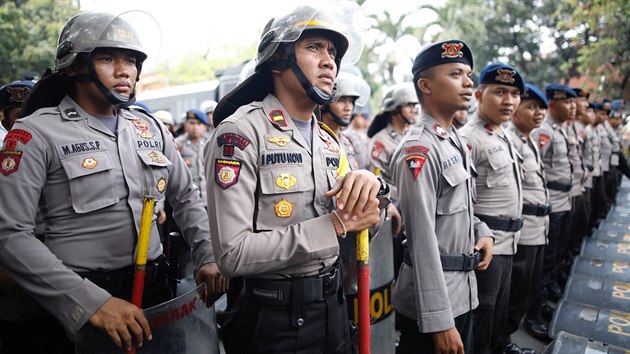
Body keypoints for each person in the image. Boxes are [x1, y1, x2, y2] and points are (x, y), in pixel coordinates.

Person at [0, 11, 226, 353]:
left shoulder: (150, 128)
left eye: (132, 60)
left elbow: (187, 198)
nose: (124, 70)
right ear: (74, 66)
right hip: (77, 303)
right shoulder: (34, 133)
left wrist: (208, 254)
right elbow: (10, 234)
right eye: (107, 58)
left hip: (156, 297)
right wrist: (91, 303)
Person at [204, 2, 387, 353]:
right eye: (314, 47)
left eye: (332, 51)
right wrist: (335, 225)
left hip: (333, 306)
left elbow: (360, 224)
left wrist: (374, 191)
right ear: (278, 59)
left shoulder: (329, 141)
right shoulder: (240, 133)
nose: (329, 60)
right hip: (273, 319)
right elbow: (233, 254)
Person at [391, 39, 494, 354]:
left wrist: (482, 232)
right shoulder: (419, 149)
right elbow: (421, 238)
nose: (467, 82)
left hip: (461, 291)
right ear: (426, 85)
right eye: (455, 74)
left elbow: (460, 209)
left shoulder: (451, 139)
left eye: (467, 74)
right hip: (433, 304)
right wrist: (440, 321)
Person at [459, 62, 525, 354]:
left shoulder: (502, 134)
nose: (509, 101)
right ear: (478, 95)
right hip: (486, 246)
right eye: (499, 92)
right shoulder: (468, 138)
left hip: (510, 243)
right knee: (482, 319)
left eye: (514, 93)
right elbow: (458, 204)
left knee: (499, 312)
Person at [502, 83, 550, 354]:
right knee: (513, 294)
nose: (539, 113)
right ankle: (501, 342)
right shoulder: (508, 138)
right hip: (519, 231)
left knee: (526, 289)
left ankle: (504, 340)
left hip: (536, 228)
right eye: (531, 106)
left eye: (541, 107)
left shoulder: (527, 139)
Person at [527, 84, 576, 340]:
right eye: (567, 102)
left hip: (561, 201)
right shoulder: (543, 132)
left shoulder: (558, 129)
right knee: (545, 263)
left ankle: (543, 303)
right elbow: (538, 172)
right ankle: (533, 315)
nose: (573, 107)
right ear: (554, 104)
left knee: (554, 258)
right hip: (551, 205)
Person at [175, 109, 210, 204]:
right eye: (192, 123)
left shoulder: (211, 143)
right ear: (185, 125)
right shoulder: (177, 144)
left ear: (205, 127)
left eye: (199, 124)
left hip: (208, 199)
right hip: (187, 200)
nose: (195, 127)